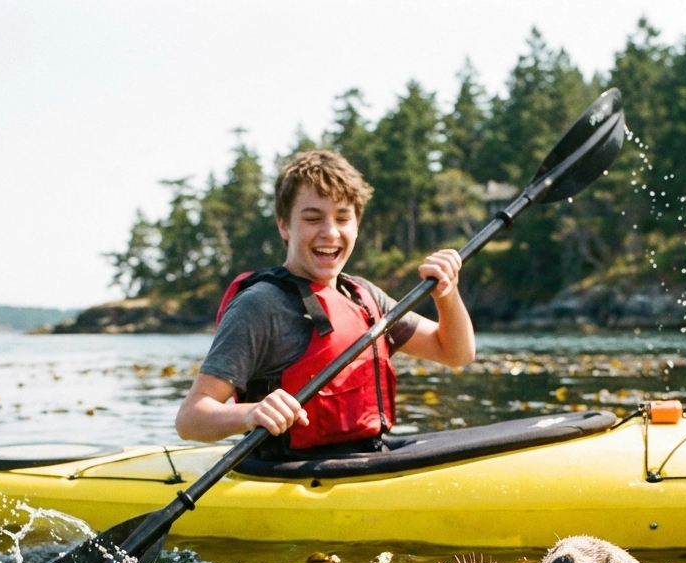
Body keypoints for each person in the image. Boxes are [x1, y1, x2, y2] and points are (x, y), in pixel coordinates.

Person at [175, 150, 475, 458]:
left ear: (356, 224)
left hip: (367, 461)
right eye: (312, 218)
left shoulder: (366, 297)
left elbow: (456, 352)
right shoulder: (259, 306)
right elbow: (190, 419)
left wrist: (447, 295)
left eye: (343, 218)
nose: (330, 232)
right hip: (290, 473)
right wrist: (251, 413)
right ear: (284, 226)